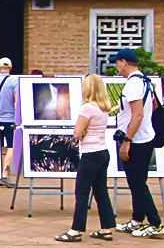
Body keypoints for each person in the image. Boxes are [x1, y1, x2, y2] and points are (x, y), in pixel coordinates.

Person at [108, 48, 164, 238]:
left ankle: (156, 223)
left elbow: (138, 114)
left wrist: (127, 141)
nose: (116, 66)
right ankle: (137, 220)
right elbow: (155, 107)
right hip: (146, 137)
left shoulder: (133, 84)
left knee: (138, 183)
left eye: (117, 62)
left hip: (137, 140)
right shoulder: (145, 80)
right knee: (138, 182)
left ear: (124, 62)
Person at [55, 74, 117, 242]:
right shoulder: (104, 107)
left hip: (90, 154)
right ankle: (106, 228)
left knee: (82, 193)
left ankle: (76, 230)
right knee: (101, 192)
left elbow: (77, 133)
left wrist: (82, 132)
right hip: (103, 152)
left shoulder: (88, 107)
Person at [0, 57, 19, 188]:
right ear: (10, 68)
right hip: (9, 119)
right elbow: (16, 101)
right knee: (11, 147)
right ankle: (5, 174)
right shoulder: (14, 81)